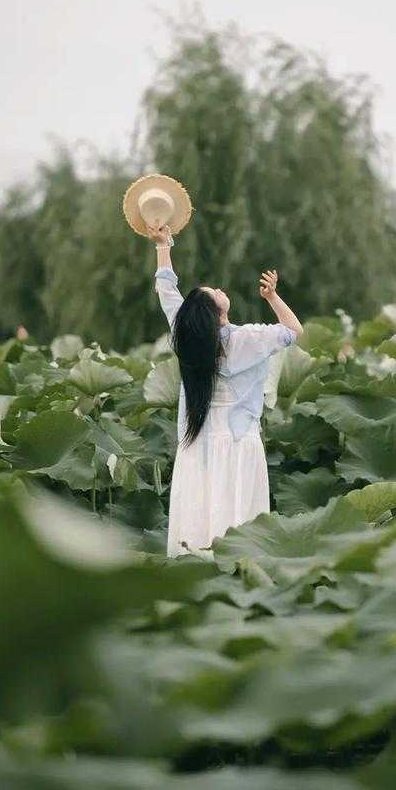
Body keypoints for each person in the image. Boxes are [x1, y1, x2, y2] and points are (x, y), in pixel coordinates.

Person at [148, 223, 303, 556]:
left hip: (198, 437)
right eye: (214, 292)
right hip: (237, 441)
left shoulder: (187, 336)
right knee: (237, 519)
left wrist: (163, 246)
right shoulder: (247, 340)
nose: (219, 289)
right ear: (217, 312)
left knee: (200, 513)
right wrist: (273, 297)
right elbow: (293, 329)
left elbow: (167, 293)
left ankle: (195, 569)